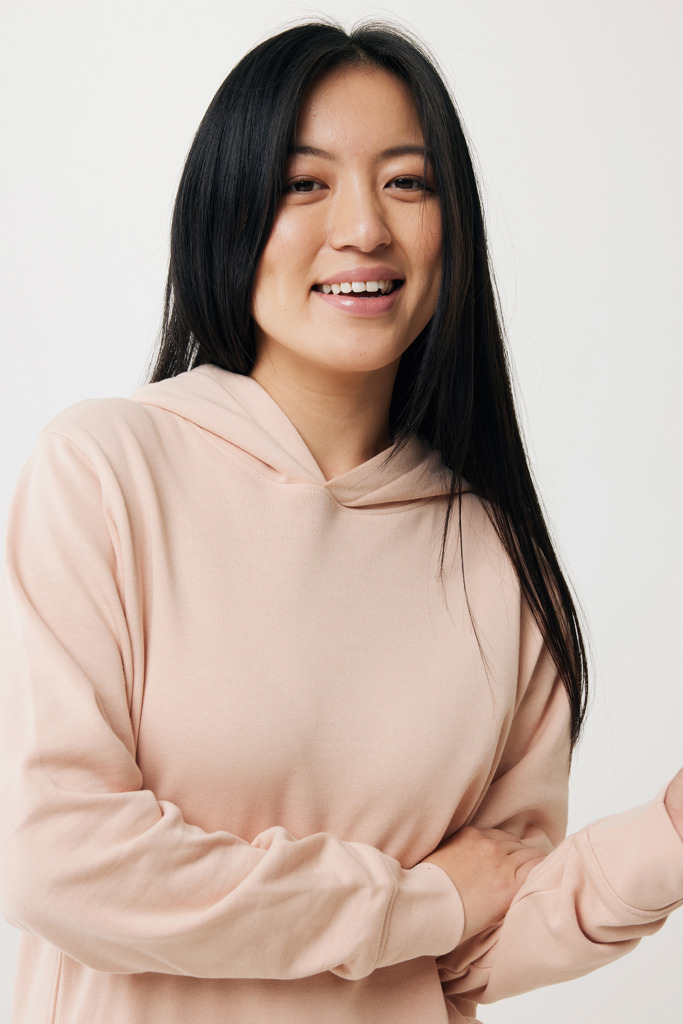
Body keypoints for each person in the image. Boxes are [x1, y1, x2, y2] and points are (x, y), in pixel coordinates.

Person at [0, 20, 681, 1024]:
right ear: (226, 212)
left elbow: (474, 942)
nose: (363, 227)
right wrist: (412, 902)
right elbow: (58, 860)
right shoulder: (106, 471)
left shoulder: (498, 560)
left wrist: (668, 837)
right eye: (303, 183)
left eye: (406, 182)